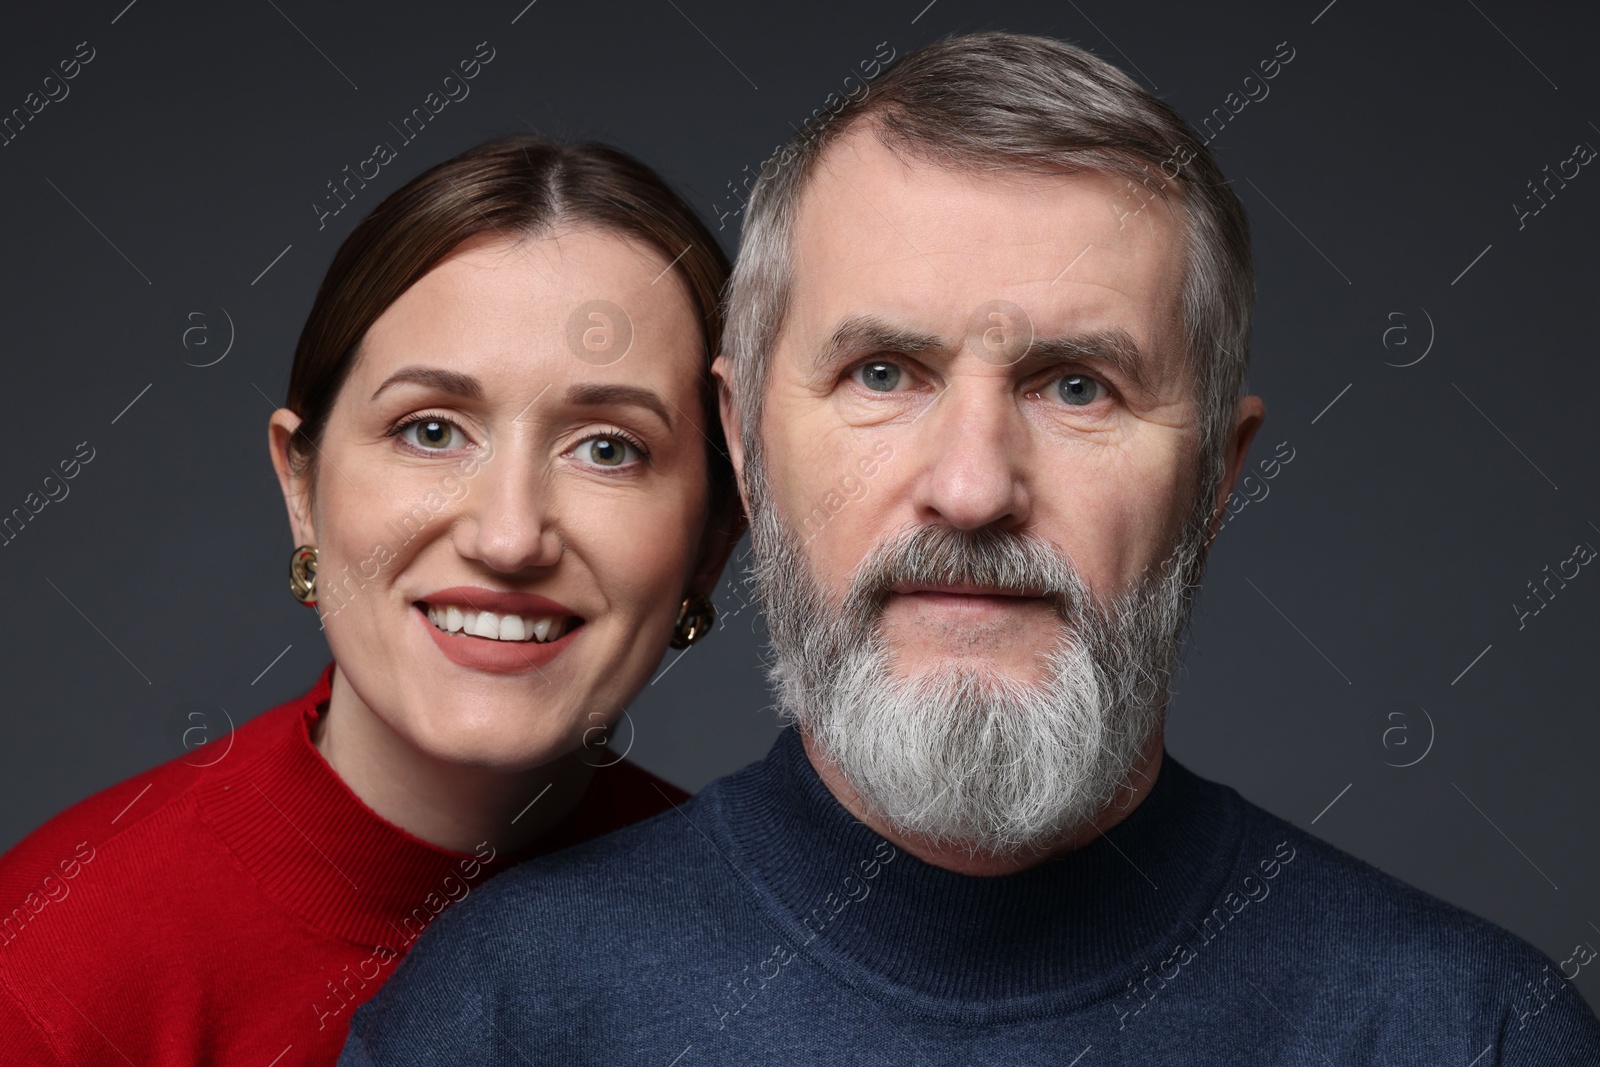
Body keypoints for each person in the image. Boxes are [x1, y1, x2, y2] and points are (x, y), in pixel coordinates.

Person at [339, 32, 1600, 1065]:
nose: (973, 485)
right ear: (745, 440)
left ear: (1215, 474)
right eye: (884, 371)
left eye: (1077, 386)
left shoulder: (1465, 1031)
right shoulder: (502, 1017)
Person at [0, 133, 743, 1064]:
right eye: (430, 430)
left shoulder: (772, 940)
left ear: (715, 539)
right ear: (300, 487)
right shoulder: (49, 969)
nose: (509, 536)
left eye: (607, 447)